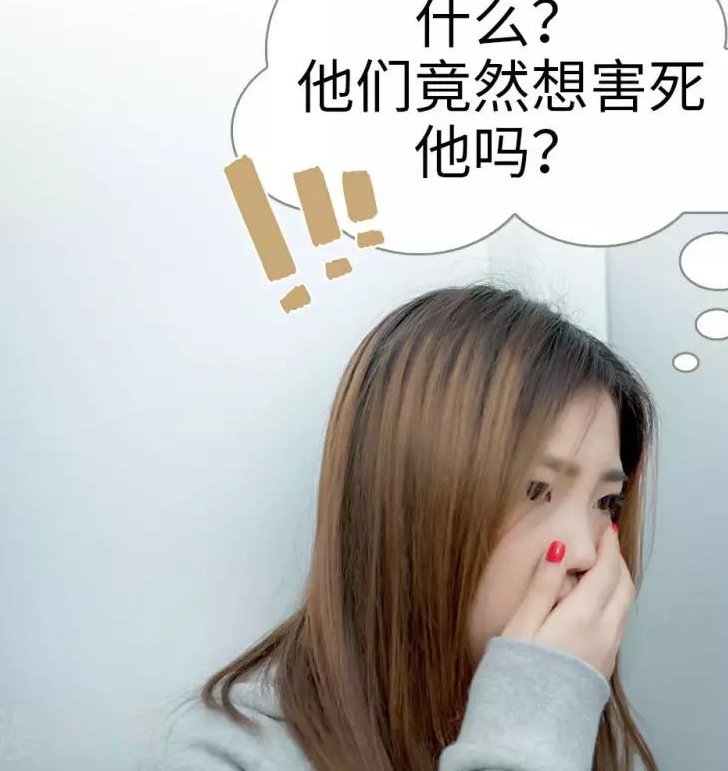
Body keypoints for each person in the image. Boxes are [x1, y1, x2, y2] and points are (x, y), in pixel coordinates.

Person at [154, 285, 658, 771]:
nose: (585, 552)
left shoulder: (580, 727)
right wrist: (531, 725)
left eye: (606, 502)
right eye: (536, 489)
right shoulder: (228, 756)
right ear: (414, 497)